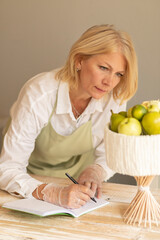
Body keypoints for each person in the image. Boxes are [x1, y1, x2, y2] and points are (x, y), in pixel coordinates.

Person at [0, 24, 138, 209]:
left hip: (75, 187)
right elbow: (8, 169)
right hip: (28, 183)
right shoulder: (40, 93)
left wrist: (96, 171)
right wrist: (51, 192)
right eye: (104, 68)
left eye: (119, 74)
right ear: (79, 60)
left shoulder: (115, 98)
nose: (109, 82)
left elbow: (111, 153)